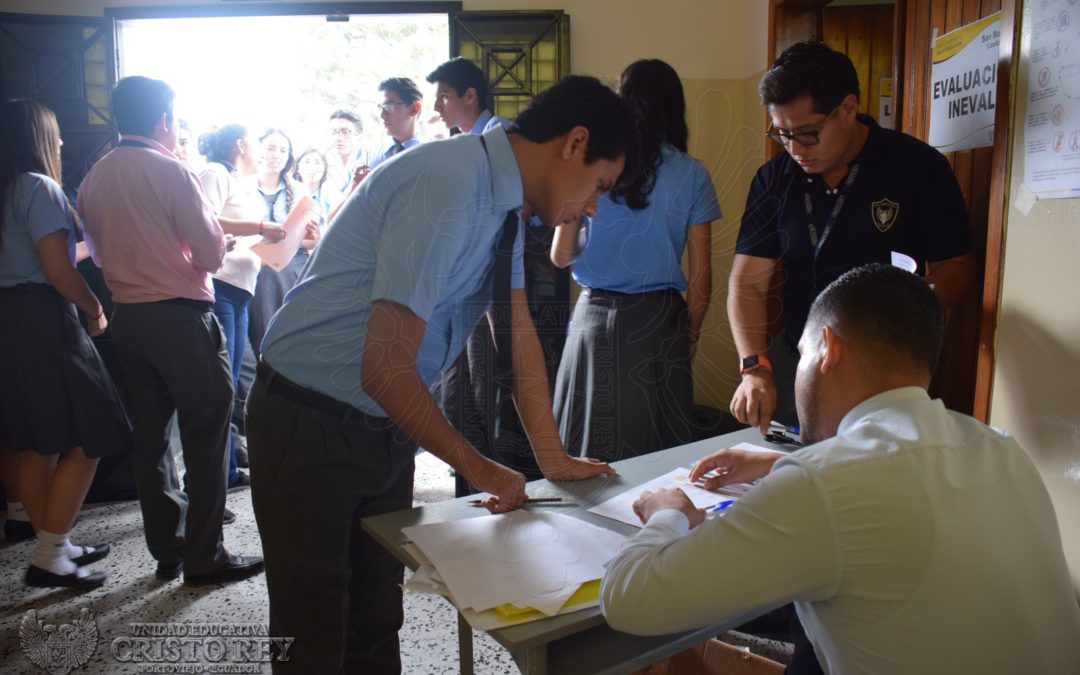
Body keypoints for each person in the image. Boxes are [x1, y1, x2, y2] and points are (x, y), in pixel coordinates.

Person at [245, 75, 633, 673]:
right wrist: (478, 466)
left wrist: (550, 458)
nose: (593, 204)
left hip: (385, 423)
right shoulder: (451, 183)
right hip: (308, 416)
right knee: (312, 623)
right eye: (600, 184)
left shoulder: (506, 200)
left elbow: (516, 329)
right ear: (575, 142)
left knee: (377, 612)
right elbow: (383, 367)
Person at [601, 263, 1080, 674]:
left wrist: (670, 512)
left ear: (827, 348)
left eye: (804, 355)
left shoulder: (823, 485)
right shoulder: (999, 448)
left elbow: (629, 599)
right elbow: (892, 486)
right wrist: (781, 462)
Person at [729, 41, 976, 433]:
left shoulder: (917, 167)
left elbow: (958, 269)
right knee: (791, 476)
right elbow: (747, 284)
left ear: (847, 108)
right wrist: (754, 367)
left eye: (807, 133)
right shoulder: (775, 178)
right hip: (801, 362)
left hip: (885, 374)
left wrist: (909, 295)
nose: (794, 148)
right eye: (782, 134)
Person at [77, 76, 263, 585]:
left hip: (128, 319)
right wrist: (214, 247)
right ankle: (207, 556)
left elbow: (94, 250)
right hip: (181, 317)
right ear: (162, 119)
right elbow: (207, 253)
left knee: (152, 439)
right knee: (206, 435)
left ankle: (168, 547)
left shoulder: (95, 176)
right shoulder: (171, 171)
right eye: (175, 119)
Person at [551, 59, 720, 462]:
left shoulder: (593, 163)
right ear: (675, 109)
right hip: (663, 324)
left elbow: (560, 256)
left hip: (595, 320)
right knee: (662, 454)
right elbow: (702, 276)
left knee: (588, 451)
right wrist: (691, 333)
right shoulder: (693, 174)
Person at [0, 98, 129, 588]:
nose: (59, 142)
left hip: (9, 320)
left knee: (37, 444)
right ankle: (51, 555)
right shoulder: (39, 187)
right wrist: (95, 309)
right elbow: (58, 271)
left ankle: (52, 544)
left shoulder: (6, 189)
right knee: (91, 435)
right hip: (43, 319)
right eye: (52, 134)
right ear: (35, 138)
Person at [197, 124, 284, 492]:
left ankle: (228, 469)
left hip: (239, 291)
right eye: (252, 143)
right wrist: (262, 225)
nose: (259, 151)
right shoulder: (215, 173)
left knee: (230, 382)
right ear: (238, 145)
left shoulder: (235, 179)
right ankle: (211, 476)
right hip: (222, 287)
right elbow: (207, 219)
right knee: (221, 383)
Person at [427, 56, 507, 135]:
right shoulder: (470, 138)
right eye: (435, 97)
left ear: (470, 96)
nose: (436, 108)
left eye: (444, 96)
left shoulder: (499, 130)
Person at [367, 77, 423, 170]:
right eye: (379, 107)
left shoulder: (430, 155)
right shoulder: (367, 153)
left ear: (414, 108)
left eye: (388, 106)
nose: (382, 115)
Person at [326, 109, 372, 199]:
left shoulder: (368, 165)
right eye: (333, 132)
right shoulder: (328, 174)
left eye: (344, 132)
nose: (338, 138)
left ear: (360, 136)